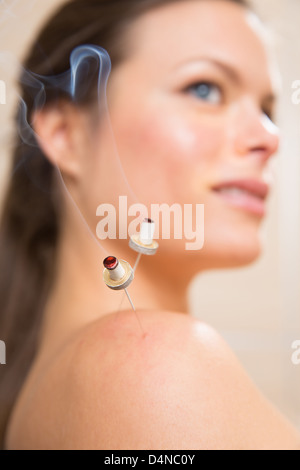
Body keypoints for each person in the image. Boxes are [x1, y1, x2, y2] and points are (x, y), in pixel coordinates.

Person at [0, 0, 299, 450]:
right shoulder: (155, 366)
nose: (269, 137)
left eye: (267, 109)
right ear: (64, 133)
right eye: (204, 88)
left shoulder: (50, 386)